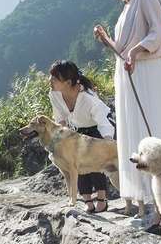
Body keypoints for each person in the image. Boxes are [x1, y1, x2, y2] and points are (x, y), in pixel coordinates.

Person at [94, 0, 161, 223]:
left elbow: (158, 32)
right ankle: (154, 206)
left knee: (153, 130)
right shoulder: (124, 11)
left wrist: (135, 51)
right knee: (136, 135)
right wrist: (107, 41)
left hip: (148, 73)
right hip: (130, 76)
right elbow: (123, 50)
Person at [48, 60, 115, 213]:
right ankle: (87, 200)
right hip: (76, 131)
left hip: (97, 130)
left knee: (94, 164)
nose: (50, 80)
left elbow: (103, 120)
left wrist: (106, 141)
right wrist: (62, 135)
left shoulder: (88, 97)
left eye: (54, 78)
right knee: (76, 164)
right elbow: (60, 116)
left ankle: (102, 200)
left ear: (68, 82)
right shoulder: (54, 94)